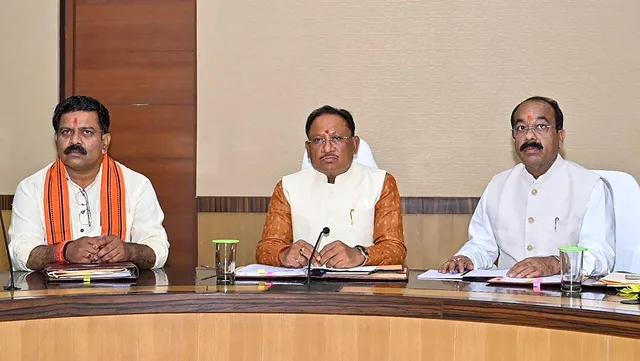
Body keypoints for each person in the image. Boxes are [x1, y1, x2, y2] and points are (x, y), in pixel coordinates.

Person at [438, 96, 614, 278]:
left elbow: (601, 256)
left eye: (541, 126)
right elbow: (482, 245)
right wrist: (467, 257)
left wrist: (556, 263)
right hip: (507, 297)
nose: (529, 136)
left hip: (567, 298)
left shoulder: (590, 186)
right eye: (521, 128)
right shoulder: (498, 185)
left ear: (560, 137)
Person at [8, 95, 169, 271]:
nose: (75, 141)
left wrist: (129, 251)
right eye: (66, 132)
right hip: (52, 295)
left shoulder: (136, 185)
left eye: (87, 132)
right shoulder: (31, 188)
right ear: (56, 140)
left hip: (120, 296)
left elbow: (158, 250)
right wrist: (64, 251)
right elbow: (20, 253)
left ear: (105, 142)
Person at [256, 105, 406, 268]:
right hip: (305, 289)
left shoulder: (381, 183)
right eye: (318, 140)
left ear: (355, 145)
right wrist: (284, 254)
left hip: (363, 289)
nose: (327, 148)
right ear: (308, 148)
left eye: (337, 138)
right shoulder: (287, 186)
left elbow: (395, 248)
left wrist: (360, 255)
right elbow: (266, 248)